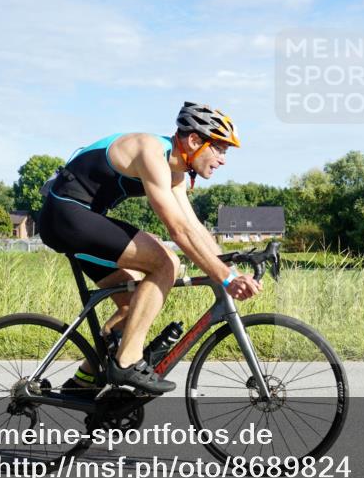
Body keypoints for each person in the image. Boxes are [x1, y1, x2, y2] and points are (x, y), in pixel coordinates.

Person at [36, 102, 262, 395]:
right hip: (66, 216)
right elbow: (178, 230)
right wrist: (226, 279)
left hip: (80, 220)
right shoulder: (151, 153)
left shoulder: (176, 172)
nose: (222, 160)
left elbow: (193, 226)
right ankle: (127, 361)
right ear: (195, 140)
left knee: (133, 307)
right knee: (165, 263)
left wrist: (230, 270)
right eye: (219, 149)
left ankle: (83, 382)